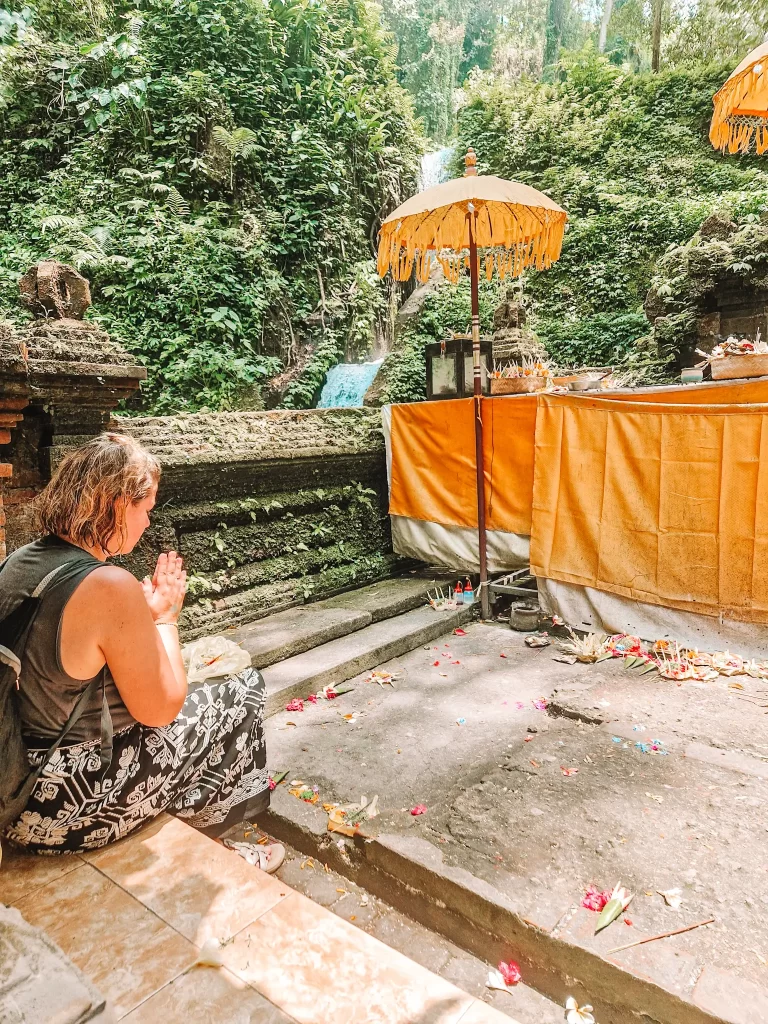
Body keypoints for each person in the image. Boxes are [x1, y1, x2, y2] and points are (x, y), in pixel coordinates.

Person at [1, 432, 283, 870]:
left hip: (13, 780)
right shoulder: (107, 585)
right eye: (146, 509)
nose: (148, 523)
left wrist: (142, 614)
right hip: (60, 805)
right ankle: (217, 854)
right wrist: (166, 617)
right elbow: (160, 709)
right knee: (240, 690)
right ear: (116, 504)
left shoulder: (19, 560)